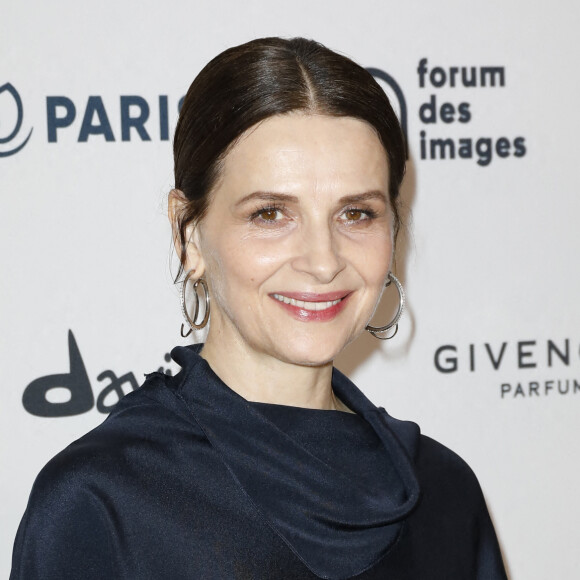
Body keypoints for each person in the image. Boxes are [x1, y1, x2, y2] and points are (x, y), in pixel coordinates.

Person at [11, 37, 507, 579]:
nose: (323, 261)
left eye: (357, 214)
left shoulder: (443, 490)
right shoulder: (99, 503)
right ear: (188, 233)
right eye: (271, 214)